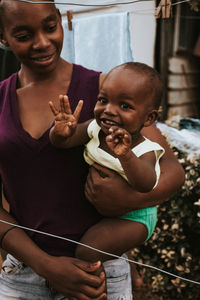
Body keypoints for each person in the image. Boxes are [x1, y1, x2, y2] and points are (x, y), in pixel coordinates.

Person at [0, 0, 185, 299]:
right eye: (23, 35)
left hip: (98, 274)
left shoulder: (106, 92)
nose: (42, 42)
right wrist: (44, 265)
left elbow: (172, 172)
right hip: (23, 275)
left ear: (60, 20)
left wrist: (126, 198)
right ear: (3, 37)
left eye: (50, 27)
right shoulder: (0, 101)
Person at [49, 62, 165, 270]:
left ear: (149, 118)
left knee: (87, 250)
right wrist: (60, 132)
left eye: (125, 106)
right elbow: (65, 143)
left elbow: (146, 184)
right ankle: (130, 268)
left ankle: (95, 284)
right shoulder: (95, 128)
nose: (109, 111)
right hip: (104, 210)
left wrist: (126, 155)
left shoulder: (145, 149)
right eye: (103, 100)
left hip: (134, 217)